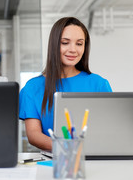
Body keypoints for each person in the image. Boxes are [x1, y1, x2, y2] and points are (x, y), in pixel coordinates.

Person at [19, 17, 112, 151]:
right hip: (53, 163)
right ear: (54, 45)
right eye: (65, 42)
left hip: (94, 159)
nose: (73, 49)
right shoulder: (33, 87)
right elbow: (33, 134)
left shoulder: (98, 84)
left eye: (79, 44)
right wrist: (68, 149)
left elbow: (109, 128)